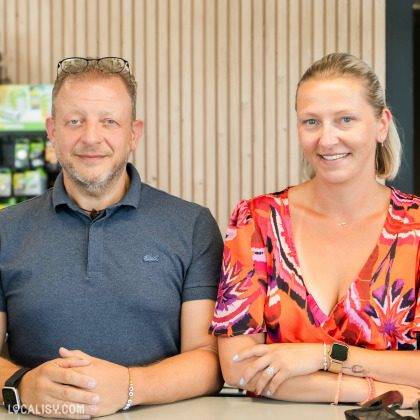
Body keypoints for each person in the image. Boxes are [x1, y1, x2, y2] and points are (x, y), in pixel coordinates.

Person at [0, 57, 224, 418]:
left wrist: (129, 387)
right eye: (74, 121)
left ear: (133, 134)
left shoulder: (192, 225)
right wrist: (21, 384)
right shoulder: (4, 230)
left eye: (109, 121)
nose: (91, 137)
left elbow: (210, 359)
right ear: (52, 132)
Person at [209, 52, 420, 408]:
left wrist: (323, 357)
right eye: (311, 122)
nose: (327, 139)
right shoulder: (256, 220)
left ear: (381, 124)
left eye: (345, 119)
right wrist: (375, 390)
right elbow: (237, 367)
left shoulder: (415, 227)